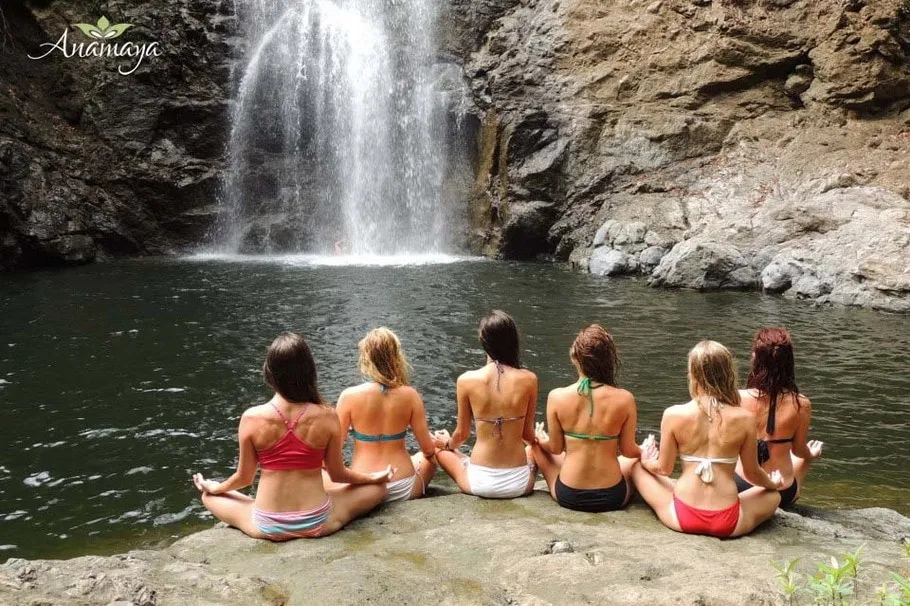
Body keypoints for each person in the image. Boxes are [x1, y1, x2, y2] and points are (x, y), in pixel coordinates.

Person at [192, 333, 393, 540]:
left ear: (269, 373)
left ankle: (249, 506)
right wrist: (373, 477)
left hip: (267, 524)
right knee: (378, 489)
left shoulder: (251, 418)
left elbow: (244, 478)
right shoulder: (327, 416)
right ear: (309, 372)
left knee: (209, 496)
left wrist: (217, 487)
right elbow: (337, 474)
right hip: (317, 520)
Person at [631, 340, 784, 538]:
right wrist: (773, 483)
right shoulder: (745, 418)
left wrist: (646, 460)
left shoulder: (673, 414)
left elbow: (664, 469)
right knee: (773, 496)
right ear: (728, 373)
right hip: (727, 521)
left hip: (682, 516)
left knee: (635, 467)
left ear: (693, 374)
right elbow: (752, 473)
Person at [531, 325, 640, 512]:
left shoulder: (557, 397)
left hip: (569, 494)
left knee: (534, 447)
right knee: (634, 462)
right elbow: (629, 451)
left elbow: (555, 449)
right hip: (612, 496)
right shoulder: (625, 399)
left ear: (575, 358)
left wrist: (540, 440)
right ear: (609, 361)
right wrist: (645, 450)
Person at [432, 310, 538, 499]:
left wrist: (447, 443)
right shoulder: (529, 379)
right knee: (534, 449)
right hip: (519, 483)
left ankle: (458, 456)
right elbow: (527, 436)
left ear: (483, 341)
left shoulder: (466, 380)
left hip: (479, 482)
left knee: (438, 450)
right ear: (513, 341)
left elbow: (462, 435)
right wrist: (539, 443)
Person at [331, 328, 438, 503]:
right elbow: (428, 450)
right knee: (428, 458)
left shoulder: (348, 396)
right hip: (403, 486)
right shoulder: (410, 395)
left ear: (366, 359)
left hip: (363, 486)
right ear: (396, 357)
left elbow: (333, 453)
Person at [734, 327, 823, 509]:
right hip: (781, 492)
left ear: (756, 359)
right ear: (789, 362)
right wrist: (811, 455)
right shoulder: (801, 403)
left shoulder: (737, 398)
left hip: (741, 487)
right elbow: (799, 451)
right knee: (804, 457)